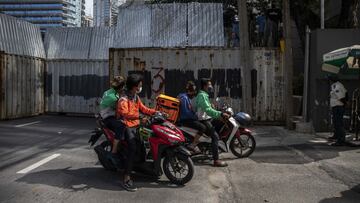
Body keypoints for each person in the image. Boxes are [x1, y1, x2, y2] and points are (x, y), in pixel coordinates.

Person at [117, 74, 156, 191]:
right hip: (125, 126)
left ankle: (139, 166)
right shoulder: (123, 99)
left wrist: (156, 112)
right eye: (139, 85)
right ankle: (126, 178)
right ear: (134, 86)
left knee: (144, 144)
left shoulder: (135, 97)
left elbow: (144, 108)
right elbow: (126, 114)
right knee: (132, 148)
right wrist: (140, 117)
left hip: (136, 125)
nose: (141, 86)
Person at [194, 78, 230, 167]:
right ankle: (216, 160)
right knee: (215, 137)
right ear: (204, 86)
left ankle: (212, 149)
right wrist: (221, 114)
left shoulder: (204, 95)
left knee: (218, 124)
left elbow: (208, 108)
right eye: (209, 85)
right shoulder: (202, 95)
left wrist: (216, 110)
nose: (210, 86)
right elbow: (208, 110)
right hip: (203, 120)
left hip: (206, 118)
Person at [99, 76, 126, 165]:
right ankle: (114, 152)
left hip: (109, 114)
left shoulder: (110, 91)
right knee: (122, 125)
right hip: (108, 117)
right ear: (121, 87)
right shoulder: (113, 97)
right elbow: (121, 110)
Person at [178, 81, 204, 154]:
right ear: (189, 91)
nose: (194, 93)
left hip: (186, 119)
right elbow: (186, 113)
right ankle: (193, 145)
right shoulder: (184, 98)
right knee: (203, 127)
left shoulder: (185, 97)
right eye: (193, 91)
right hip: (185, 120)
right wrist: (196, 117)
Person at [328, 75, 348, 146]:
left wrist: (345, 104)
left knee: (338, 123)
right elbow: (346, 93)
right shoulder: (336, 85)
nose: (329, 81)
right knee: (336, 122)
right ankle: (336, 136)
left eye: (330, 79)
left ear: (332, 80)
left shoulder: (336, 86)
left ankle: (341, 140)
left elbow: (341, 97)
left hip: (338, 107)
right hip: (336, 107)